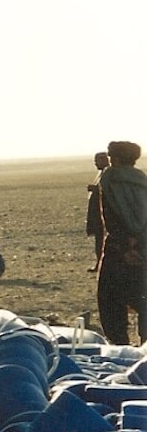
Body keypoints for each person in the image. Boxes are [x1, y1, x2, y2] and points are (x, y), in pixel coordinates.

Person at [97, 140, 147, 345]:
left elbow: (111, 218)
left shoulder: (109, 179)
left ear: (114, 158)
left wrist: (127, 246)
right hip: (144, 247)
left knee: (110, 300)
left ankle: (121, 349)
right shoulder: (142, 180)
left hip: (119, 250)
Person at [86, 151, 110, 272]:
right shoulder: (102, 174)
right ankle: (99, 264)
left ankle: (101, 265)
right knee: (99, 240)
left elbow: (106, 191)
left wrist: (94, 189)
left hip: (103, 214)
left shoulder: (108, 174)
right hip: (97, 213)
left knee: (101, 240)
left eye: (98, 160)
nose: (95, 163)